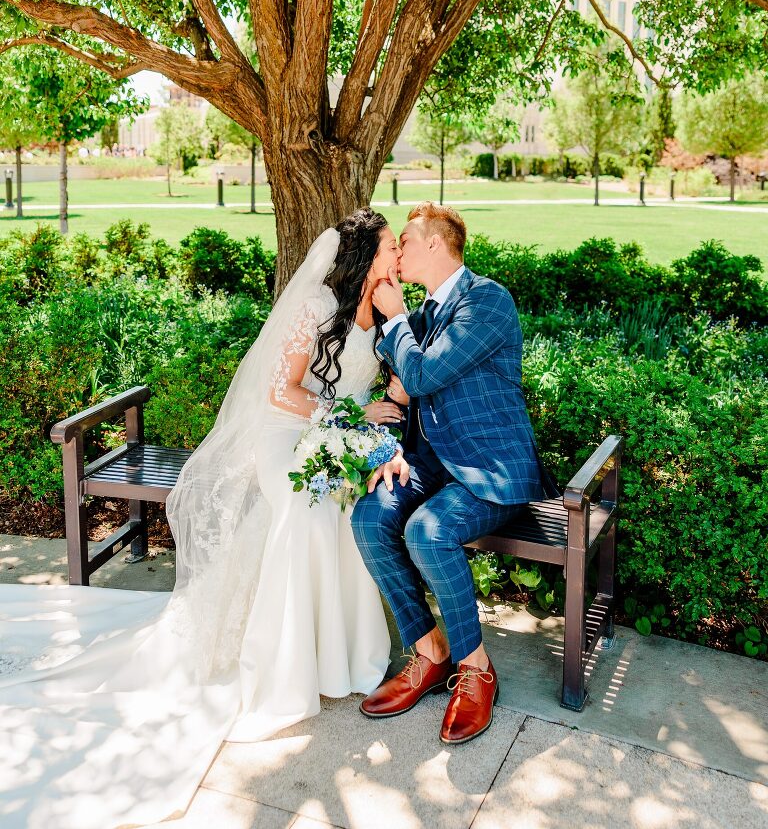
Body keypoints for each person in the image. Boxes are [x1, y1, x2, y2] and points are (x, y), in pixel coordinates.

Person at [0, 209, 404, 829]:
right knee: (304, 508)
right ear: (363, 258)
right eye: (388, 248)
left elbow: (395, 383)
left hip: (329, 438)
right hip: (285, 436)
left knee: (343, 510)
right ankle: (289, 663)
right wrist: (348, 417)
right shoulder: (316, 306)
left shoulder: (381, 313)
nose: (396, 255)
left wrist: (366, 416)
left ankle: (342, 653)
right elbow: (281, 392)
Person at [351, 201, 543, 745]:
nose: (398, 252)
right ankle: (430, 651)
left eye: (405, 241)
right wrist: (388, 448)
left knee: (426, 531)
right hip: (431, 463)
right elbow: (403, 389)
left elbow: (424, 373)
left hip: (491, 470)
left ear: (435, 244)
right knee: (370, 518)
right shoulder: (424, 313)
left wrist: (393, 318)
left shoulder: (487, 300)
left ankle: (476, 669)